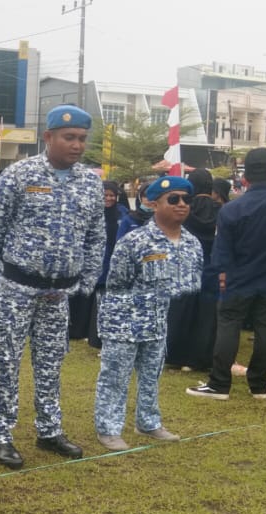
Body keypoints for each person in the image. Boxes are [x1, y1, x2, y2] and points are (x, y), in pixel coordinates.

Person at [0, 105, 104, 469]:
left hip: (60, 293)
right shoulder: (20, 174)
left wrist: (84, 282)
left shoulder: (90, 182)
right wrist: (10, 270)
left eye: (82, 139)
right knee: (6, 361)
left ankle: (49, 430)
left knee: (51, 361)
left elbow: (96, 236)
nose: (77, 145)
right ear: (48, 137)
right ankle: (0, 435)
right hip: (17, 288)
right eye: (69, 138)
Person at [186, 148, 266, 401]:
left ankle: (219, 383)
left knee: (229, 325)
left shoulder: (232, 209)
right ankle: (259, 385)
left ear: (245, 176)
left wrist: (219, 277)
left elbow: (222, 251)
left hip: (238, 279)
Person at [94, 177, 203, 450]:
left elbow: (190, 283)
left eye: (186, 200)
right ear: (155, 204)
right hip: (125, 316)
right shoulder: (135, 240)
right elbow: (117, 281)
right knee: (115, 376)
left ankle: (148, 422)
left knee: (152, 373)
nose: (181, 205)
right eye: (174, 199)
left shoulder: (191, 242)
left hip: (160, 317)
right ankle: (108, 429)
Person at [165, 169, 220, 370]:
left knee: (181, 310)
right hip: (212, 265)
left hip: (185, 264)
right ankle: (200, 358)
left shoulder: (183, 209)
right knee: (206, 314)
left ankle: (175, 355)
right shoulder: (221, 209)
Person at [72, 180, 128, 347]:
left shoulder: (122, 213)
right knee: (85, 295)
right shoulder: (92, 211)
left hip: (111, 258)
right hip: (90, 259)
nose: (109, 199)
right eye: (105, 195)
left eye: (112, 195)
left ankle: (97, 332)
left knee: (102, 297)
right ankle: (78, 329)